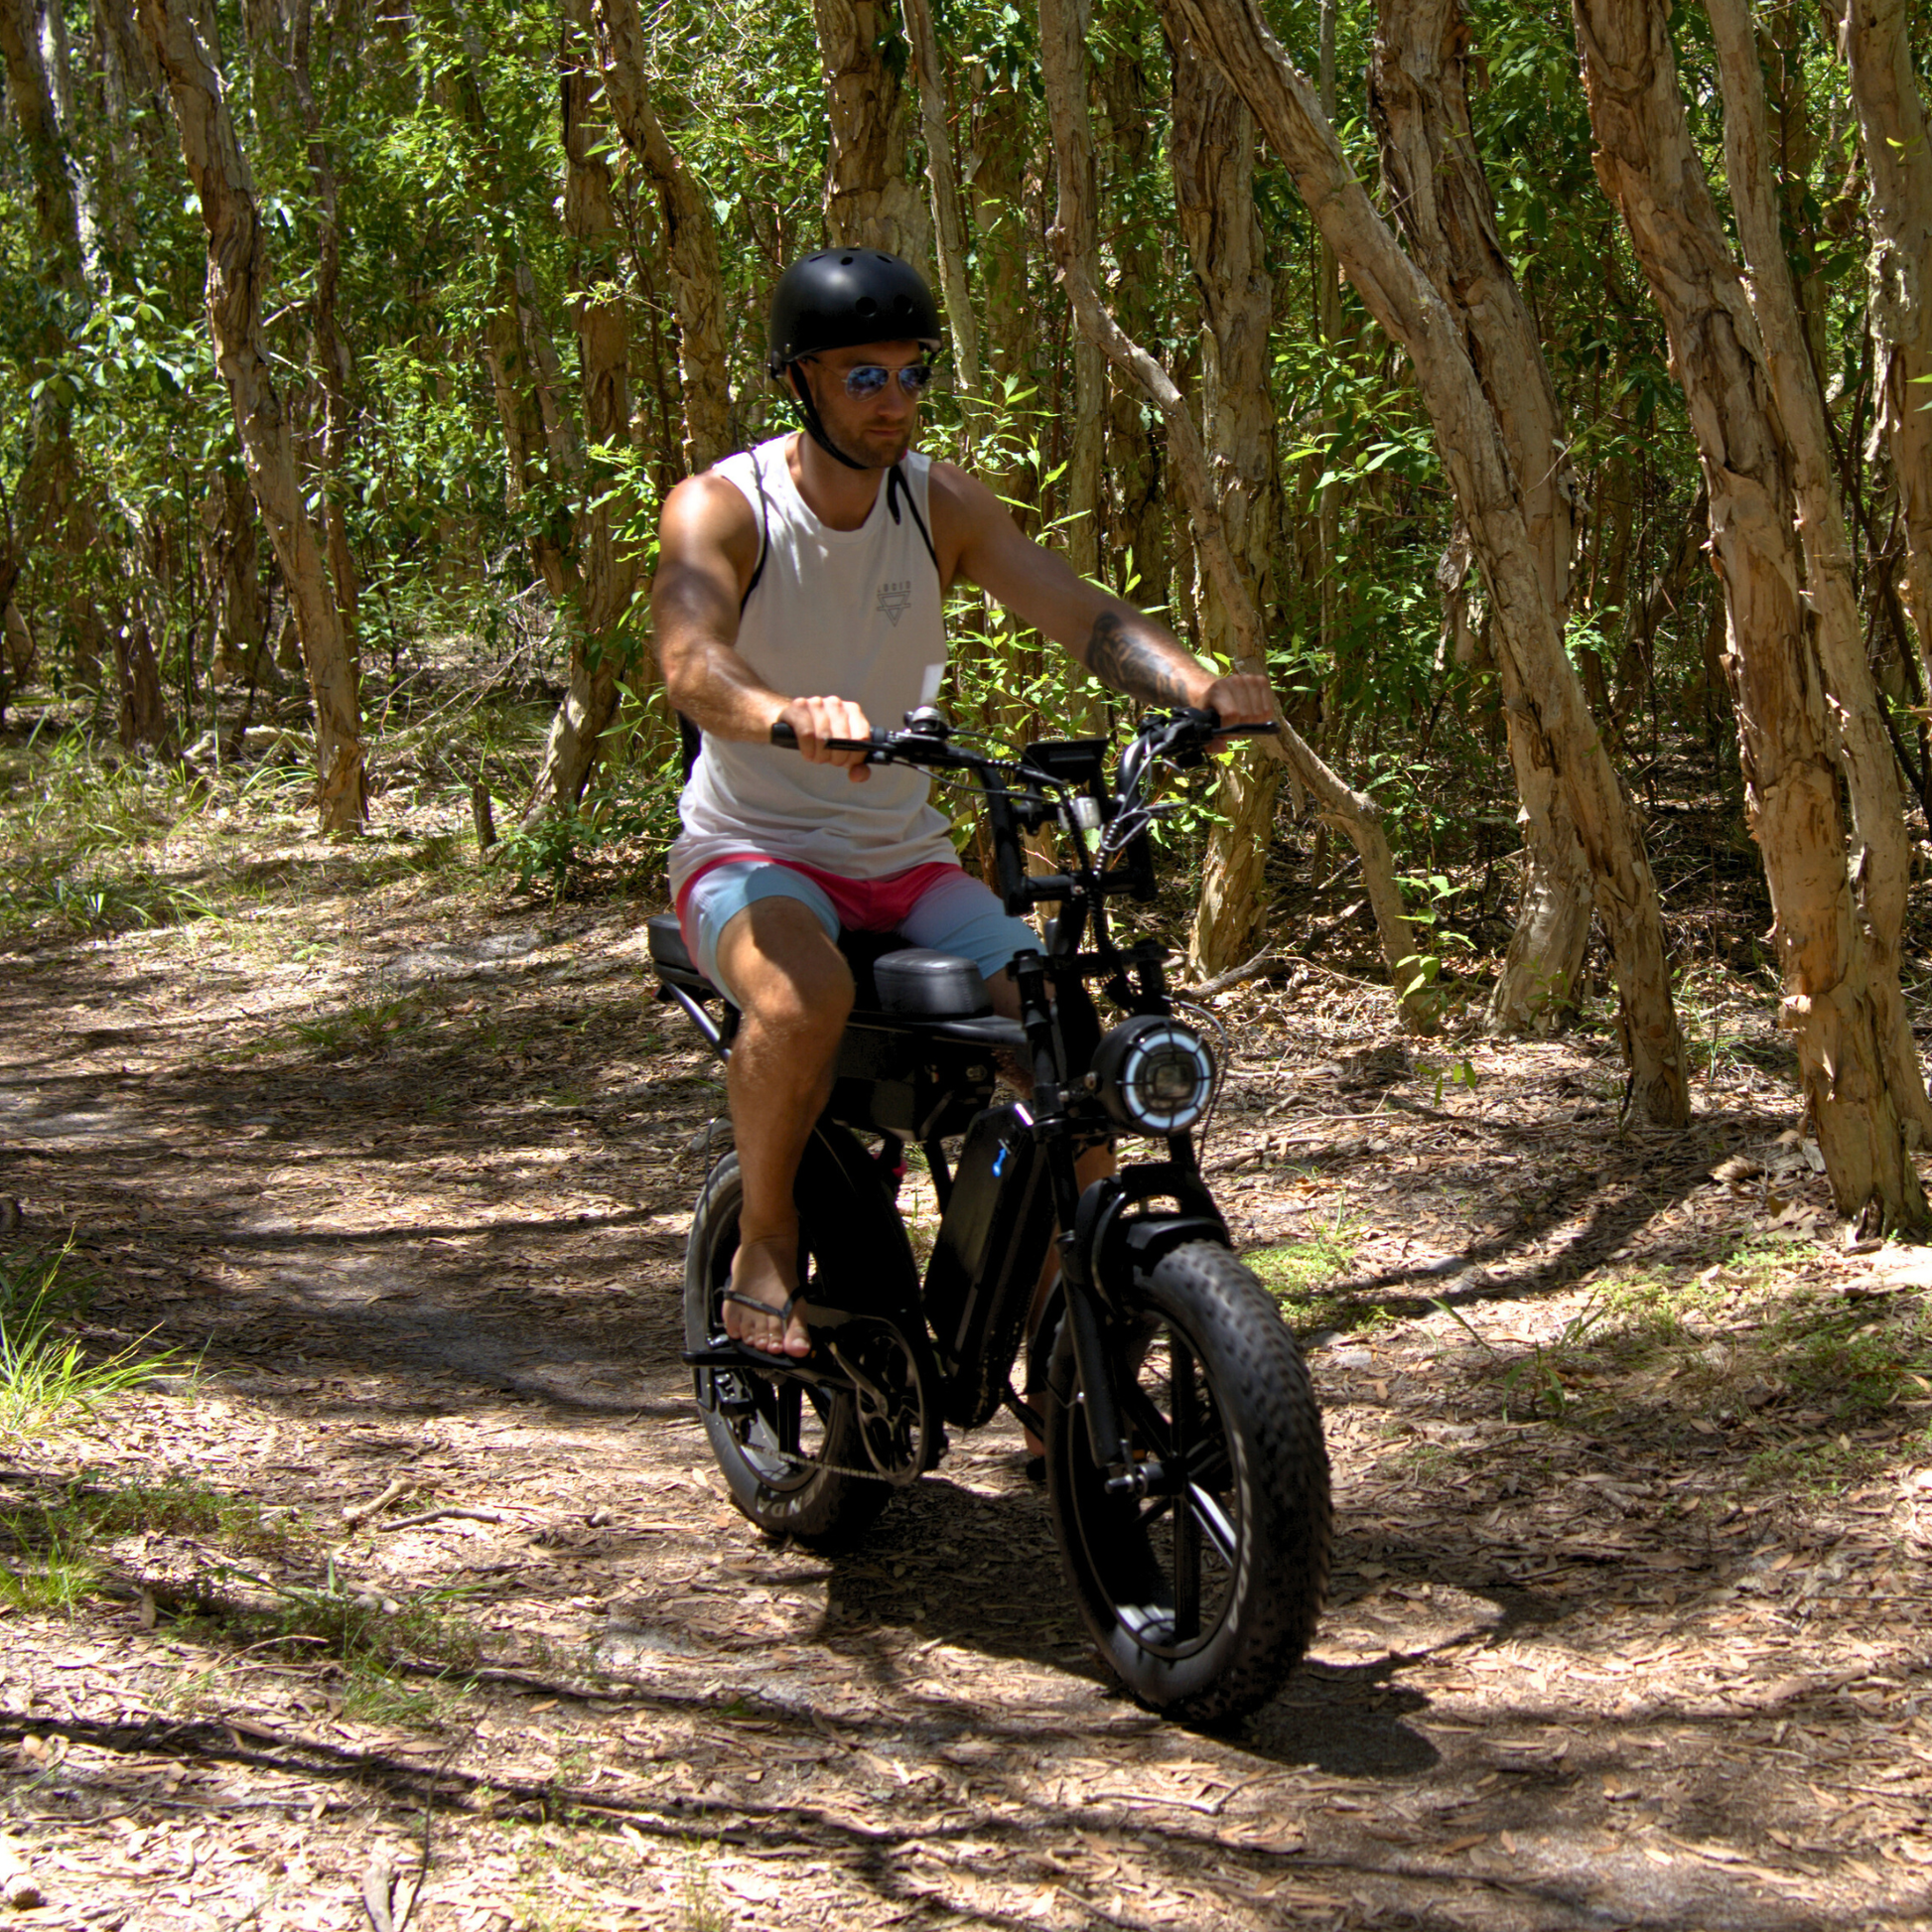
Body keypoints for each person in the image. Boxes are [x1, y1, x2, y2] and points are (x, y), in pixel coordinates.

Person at [655, 248, 1271, 1362]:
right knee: (799, 999)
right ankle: (765, 1235)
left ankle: (1069, 1314)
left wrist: (1195, 687)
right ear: (799, 381)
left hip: (905, 858)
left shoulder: (933, 501)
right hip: (754, 849)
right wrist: (784, 713)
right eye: (862, 377)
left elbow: (1074, 608)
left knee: (1065, 1037)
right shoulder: (724, 504)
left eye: (910, 373)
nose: (893, 401)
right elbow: (690, 659)